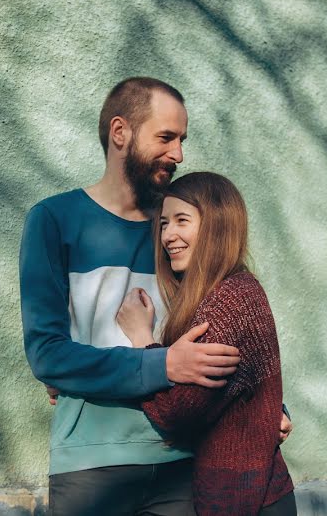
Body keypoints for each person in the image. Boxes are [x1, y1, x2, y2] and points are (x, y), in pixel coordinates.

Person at [20, 77, 291, 515]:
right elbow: (48, 356)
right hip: (92, 462)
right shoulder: (54, 220)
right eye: (166, 137)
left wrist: (263, 404)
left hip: (182, 461)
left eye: (182, 139)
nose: (178, 154)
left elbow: (229, 326)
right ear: (120, 133)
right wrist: (163, 363)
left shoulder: (182, 230)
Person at [116, 172, 296, 516]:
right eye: (164, 223)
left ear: (216, 226)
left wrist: (141, 338)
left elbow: (178, 412)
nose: (168, 235)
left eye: (182, 220)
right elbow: (235, 395)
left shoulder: (230, 300)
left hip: (249, 501)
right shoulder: (224, 293)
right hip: (244, 496)